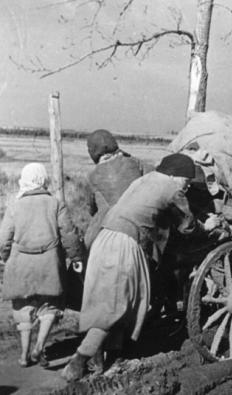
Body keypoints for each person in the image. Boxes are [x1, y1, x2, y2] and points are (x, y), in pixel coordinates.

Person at [61, 153, 220, 381]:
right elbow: (187, 227)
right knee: (115, 306)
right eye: (186, 181)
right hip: (124, 245)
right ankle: (78, 361)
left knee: (110, 301)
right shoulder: (173, 189)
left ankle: (109, 357)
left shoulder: (144, 180)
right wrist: (208, 225)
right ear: (176, 176)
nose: (186, 186)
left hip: (103, 240)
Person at [0, 163, 84, 367]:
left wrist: (3, 256)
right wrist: (76, 258)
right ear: (42, 179)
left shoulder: (14, 206)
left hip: (21, 265)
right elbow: (69, 234)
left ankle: (24, 355)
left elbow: (4, 239)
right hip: (49, 266)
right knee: (50, 308)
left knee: (23, 309)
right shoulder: (55, 204)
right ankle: (39, 347)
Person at [84, 129, 146, 249]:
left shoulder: (92, 176)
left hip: (108, 230)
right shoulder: (136, 164)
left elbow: (91, 210)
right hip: (139, 231)